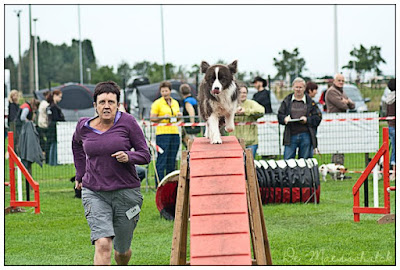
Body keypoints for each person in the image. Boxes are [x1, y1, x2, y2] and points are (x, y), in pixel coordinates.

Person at [72, 81, 151, 266]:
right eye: (102, 102)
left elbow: (145, 155)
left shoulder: (128, 122)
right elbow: (76, 145)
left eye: (111, 102)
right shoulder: (83, 126)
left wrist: (129, 156)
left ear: (118, 104)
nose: (106, 106)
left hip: (126, 193)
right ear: (95, 105)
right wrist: (80, 173)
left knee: (121, 252)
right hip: (95, 192)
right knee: (103, 244)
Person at [277, 77, 322, 160]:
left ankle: (303, 174)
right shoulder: (286, 101)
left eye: (300, 87)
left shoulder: (310, 102)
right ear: (293, 87)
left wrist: (307, 120)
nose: (298, 89)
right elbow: (279, 115)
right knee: (288, 161)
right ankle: (289, 174)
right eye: (296, 87)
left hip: (306, 135)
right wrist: (284, 119)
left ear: (304, 88)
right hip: (290, 135)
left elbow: (318, 117)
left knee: (305, 162)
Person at [150, 81, 182, 186]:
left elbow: (177, 118)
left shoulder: (175, 102)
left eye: (166, 90)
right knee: (162, 159)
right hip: (162, 134)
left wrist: (179, 116)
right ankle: (158, 183)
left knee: (172, 159)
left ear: (170, 91)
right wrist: (163, 117)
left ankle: (170, 184)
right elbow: (152, 118)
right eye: (162, 91)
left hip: (174, 132)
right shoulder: (157, 103)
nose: (164, 93)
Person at [325, 74, 355, 165]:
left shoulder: (342, 92)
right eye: (339, 80)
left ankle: (340, 169)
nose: (341, 82)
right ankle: (336, 169)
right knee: (336, 147)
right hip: (334, 121)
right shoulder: (331, 92)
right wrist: (346, 102)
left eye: (343, 81)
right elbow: (342, 106)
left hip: (341, 121)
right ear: (334, 81)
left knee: (341, 146)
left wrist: (347, 101)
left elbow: (352, 106)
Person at [230, 84, 265, 158]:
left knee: (250, 165)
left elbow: (262, 110)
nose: (242, 95)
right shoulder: (231, 104)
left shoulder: (251, 103)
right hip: (235, 142)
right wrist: (233, 112)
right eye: (240, 92)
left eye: (244, 93)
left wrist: (246, 111)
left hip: (251, 142)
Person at [46, 90, 65, 166]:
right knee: (55, 145)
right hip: (55, 127)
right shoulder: (54, 107)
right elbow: (56, 117)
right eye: (59, 97)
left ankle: (52, 161)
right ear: (55, 96)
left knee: (52, 144)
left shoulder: (49, 106)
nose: (60, 99)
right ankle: (55, 162)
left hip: (51, 127)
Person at [179, 83, 200, 148]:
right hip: (196, 121)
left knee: (190, 140)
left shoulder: (187, 101)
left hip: (190, 124)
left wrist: (192, 124)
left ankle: (190, 152)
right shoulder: (194, 99)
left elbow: (191, 112)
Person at [385, 78, 396, 180]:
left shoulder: (389, 98)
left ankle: (393, 172)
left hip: (390, 127)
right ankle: (393, 173)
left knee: (393, 150)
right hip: (395, 127)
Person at [37, 91, 51, 163]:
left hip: (40, 124)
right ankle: (45, 157)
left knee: (42, 142)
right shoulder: (46, 104)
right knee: (46, 143)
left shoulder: (42, 103)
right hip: (44, 125)